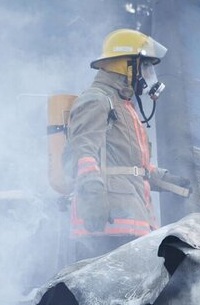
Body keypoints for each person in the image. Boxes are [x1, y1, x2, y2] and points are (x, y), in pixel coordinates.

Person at [64, 28, 190, 261]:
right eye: (145, 66)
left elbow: (133, 167)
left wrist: (167, 180)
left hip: (131, 220)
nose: (148, 75)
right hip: (105, 224)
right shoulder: (96, 100)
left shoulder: (123, 106)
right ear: (126, 65)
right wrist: (92, 195)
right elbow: (82, 151)